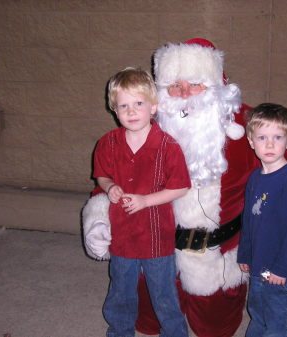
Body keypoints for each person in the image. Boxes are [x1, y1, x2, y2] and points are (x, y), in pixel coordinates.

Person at [83, 39, 287, 337]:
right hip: (155, 249)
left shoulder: (246, 126)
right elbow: (112, 181)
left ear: (216, 87)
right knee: (147, 322)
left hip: (220, 260)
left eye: (196, 84)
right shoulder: (145, 124)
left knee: (217, 330)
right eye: (176, 86)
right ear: (161, 95)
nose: (185, 94)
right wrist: (98, 220)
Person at [90, 67, 190, 337]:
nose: (131, 111)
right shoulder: (108, 143)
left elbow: (180, 187)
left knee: (164, 296)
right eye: (123, 106)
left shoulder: (168, 146)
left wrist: (146, 200)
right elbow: (101, 175)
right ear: (114, 109)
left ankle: (175, 333)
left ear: (154, 106)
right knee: (121, 292)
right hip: (122, 236)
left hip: (157, 238)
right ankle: (120, 331)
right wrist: (110, 186)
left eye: (138, 104)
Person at [238, 103, 287, 337]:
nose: (269, 144)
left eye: (277, 137)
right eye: (262, 137)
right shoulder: (255, 178)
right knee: (258, 314)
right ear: (251, 141)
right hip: (259, 265)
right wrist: (245, 254)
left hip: (282, 271)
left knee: (279, 323)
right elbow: (248, 220)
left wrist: (281, 268)